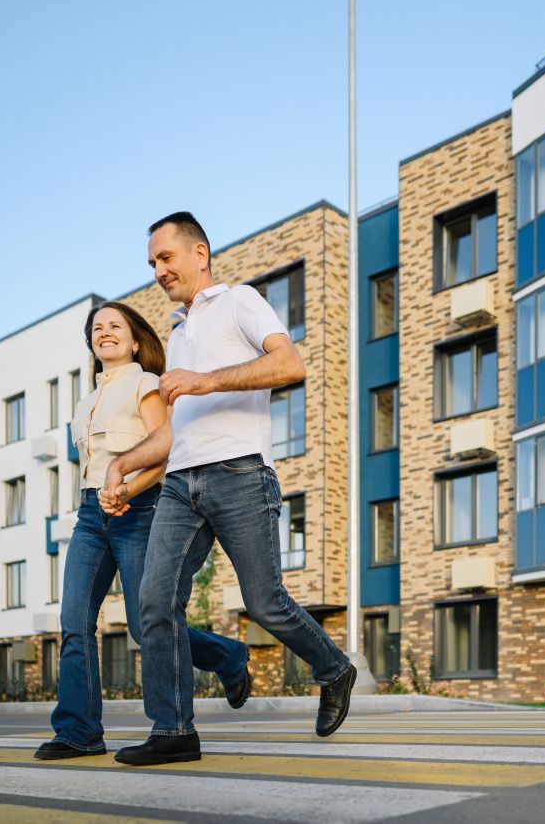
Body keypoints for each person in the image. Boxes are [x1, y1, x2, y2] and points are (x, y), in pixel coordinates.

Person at [109, 212, 356, 767]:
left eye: (166, 258)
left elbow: (289, 363)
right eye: (151, 263)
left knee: (265, 603)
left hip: (241, 472)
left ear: (199, 253)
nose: (158, 270)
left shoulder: (240, 300)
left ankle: (334, 668)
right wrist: (123, 468)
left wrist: (207, 380)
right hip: (180, 483)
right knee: (154, 603)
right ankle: (173, 730)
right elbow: (174, 430)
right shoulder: (177, 333)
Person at [34, 301, 252, 761]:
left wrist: (128, 488)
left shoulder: (147, 384)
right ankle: (78, 731)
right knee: (74, 621)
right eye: (97, 328)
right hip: (90, 517)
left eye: (115, 326)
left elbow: (167, 450)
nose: (105, 332)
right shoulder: (85, 403)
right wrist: (104, 497)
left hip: (140, 509)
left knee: (145, 623)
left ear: (135, 341)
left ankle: (227, 657)